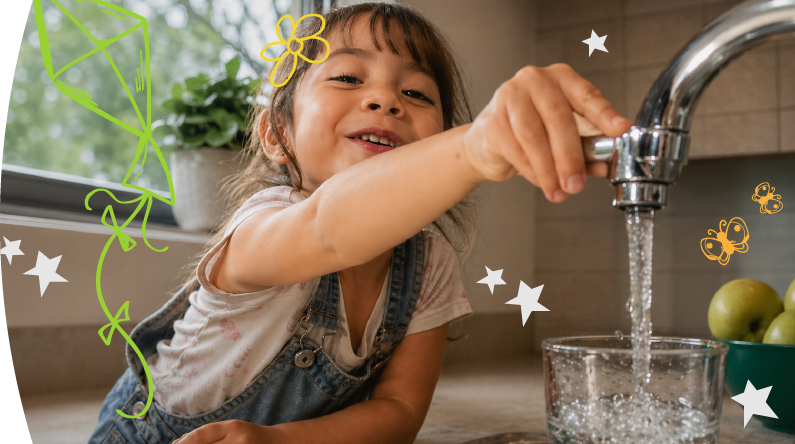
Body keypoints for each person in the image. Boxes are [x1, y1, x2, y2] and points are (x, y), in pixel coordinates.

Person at [87, 2, 632, 444]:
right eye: (348, 76)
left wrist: (276, 443)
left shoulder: (430, 265)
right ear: (278, 133)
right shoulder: (263, 226)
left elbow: (399, 411)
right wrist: (476, 149)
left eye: (416, 93)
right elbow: (329, 227)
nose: (385, 100)